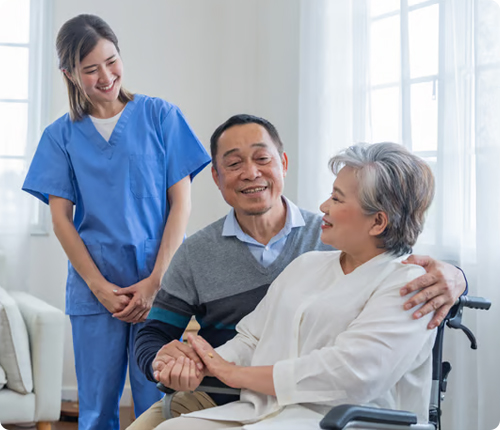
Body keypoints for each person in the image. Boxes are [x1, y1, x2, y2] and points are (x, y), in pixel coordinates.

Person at [129, 115, 466, 430]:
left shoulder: (408, 283)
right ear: (216, 177)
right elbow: (248, 337)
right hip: (240, 400)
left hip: (331, 416)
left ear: (283, 164)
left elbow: (352, 373)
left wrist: (458, 277)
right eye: (233, 163)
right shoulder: (305, 264)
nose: (250, 173)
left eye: (336, 198)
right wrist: (192, 361)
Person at [22, 14, 211, 430]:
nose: (106, 76)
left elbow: (181, 202)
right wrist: (98, 288)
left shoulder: (161, 116)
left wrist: (157, 279)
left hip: (159, 282)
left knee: (157, 402)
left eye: (111, 61)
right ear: (69, 74)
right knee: (96, 408)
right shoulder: (60, 136)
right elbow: (61, 221)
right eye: (91, 69)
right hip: (95, 289)